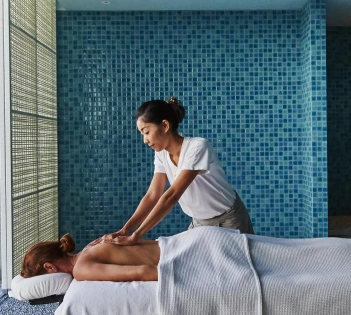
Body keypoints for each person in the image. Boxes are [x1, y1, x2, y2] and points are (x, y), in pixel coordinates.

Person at [103, 97, 253, 247]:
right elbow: (152, 195)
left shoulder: (197, 147)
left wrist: (137, 235)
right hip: (199, 223)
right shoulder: (161, 154)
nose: (145, 140)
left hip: (229, 220)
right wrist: (125, 231)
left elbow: (172, 196)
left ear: (165, 125)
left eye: (146, 132)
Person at [22, 234, 159, 282]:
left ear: (49, 267)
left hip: (170, 259)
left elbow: (142, 272)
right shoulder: (88, 248)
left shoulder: (80, 269)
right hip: (165, 245)